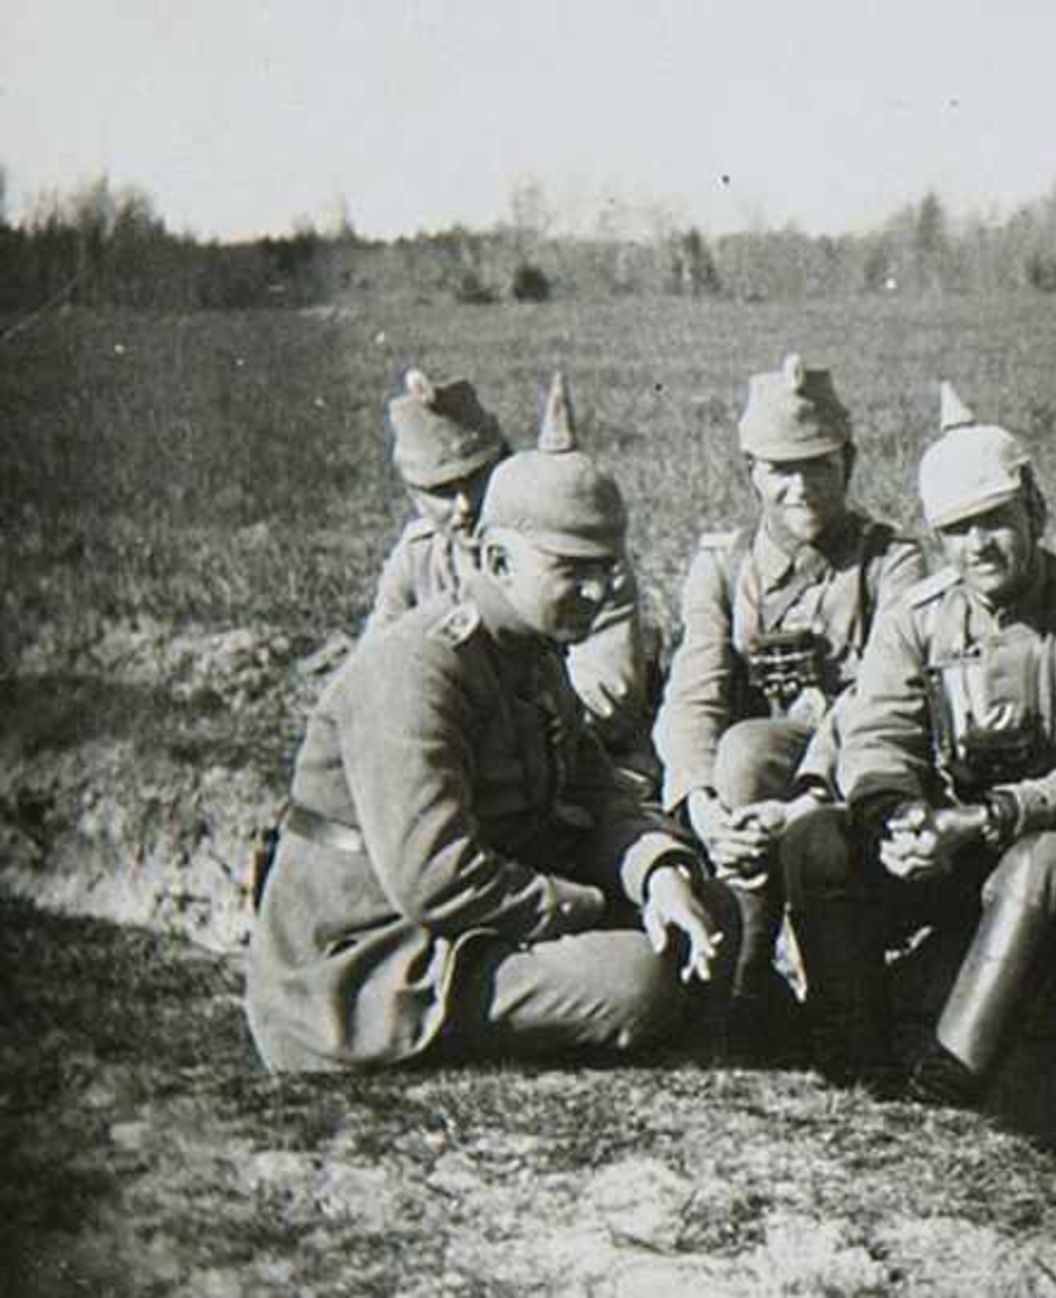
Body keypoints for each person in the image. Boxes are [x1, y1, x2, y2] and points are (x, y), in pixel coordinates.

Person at [246, 374, 730, 1072]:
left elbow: (594, 794)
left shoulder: (531, 653)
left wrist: (659, 878)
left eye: (607, 571)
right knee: (640, 979)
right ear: (498, 559)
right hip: (368, 967)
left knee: (704, 910)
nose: (597, 594)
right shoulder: (419, 665)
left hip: (459, 925)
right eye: (573, 572)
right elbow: (436, 876)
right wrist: (594, 906)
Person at [778, 382, 1056, 1102]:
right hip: (935, 847)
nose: (979, 546)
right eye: (958, 530)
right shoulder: (915, 617)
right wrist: (896, 817)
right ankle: (859, 1059)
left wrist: (989, 819)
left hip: (1035, 850)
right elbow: (877, 731)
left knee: (1040, 864)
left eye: (996, 521)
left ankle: (951, 1078)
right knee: (817, 841)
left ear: (1035, 510)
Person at [654, 353, 924, 1052]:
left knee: (750, 751)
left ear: (850, 463)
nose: (799, 488)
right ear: (751, 471)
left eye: (818, 466)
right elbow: (695, 690)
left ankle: (792, 1001)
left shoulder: (890, 563)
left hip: (852, 772)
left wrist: (805, 795)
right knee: (736, 751)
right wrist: (701, 801)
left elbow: (877, 698)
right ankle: (738, 987)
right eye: (780, 469)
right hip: (750, 791)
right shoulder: (722, 566)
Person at [369, 367, 663, 791]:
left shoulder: (579, 557)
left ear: (504, 463)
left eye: (474, 479)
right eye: (440, 492)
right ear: (414, 496)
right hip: (455, 750)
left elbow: (608, 698)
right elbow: (378, 667)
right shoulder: (418, 556)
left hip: (572, 751)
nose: (463, 506)